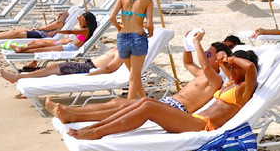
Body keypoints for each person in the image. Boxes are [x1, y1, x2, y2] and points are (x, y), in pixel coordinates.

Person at [65, 46, 258, 140]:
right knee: (146, 102)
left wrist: (230, 59)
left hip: (204, 126)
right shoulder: (231, 82)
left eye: (235, 68)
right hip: (194, 119)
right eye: (231, 68)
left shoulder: (245, 88)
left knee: (148, 107)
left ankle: (97, 132)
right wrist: (225, 60)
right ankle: (96, 127)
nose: (231, 70)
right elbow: (222, 61)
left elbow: (249, 67)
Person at [47, 31, 241, 124]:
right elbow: (188, 62)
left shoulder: (216, 80)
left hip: (177, 110)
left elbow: (205, 65)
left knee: (125, 107)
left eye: (209, 53)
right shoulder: (202, 74)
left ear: (219, 59)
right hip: (168, 102)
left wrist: (197, 43)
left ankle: (74, 116)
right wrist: (187, 45)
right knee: (117, 102)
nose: (205, 55)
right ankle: (72, 111)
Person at [111, 0, 155, 99]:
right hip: (137, 38)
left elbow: (112, 17)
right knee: (134, 77)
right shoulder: (147, 1)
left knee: (133, 74)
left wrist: (120, 28)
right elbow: (149, 24)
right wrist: (151, 31)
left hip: (122, 38)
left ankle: (144, 100)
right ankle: (129, 105)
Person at [0, 47, 123, 83]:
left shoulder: (121, 52)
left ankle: (18, 77)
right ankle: (21, 77)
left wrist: (91, 75)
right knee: (52, 68)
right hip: (85, 65)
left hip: (87, 68)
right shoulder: (118, 49)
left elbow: (110, 68)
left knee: (53, 68)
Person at [7, 12, 98, 53]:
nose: (80, 20)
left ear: (87, 21)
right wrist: (83, 17)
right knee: (43, 44)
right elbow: (78, 16)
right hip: (69, 45)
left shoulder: (85, 31)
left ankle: (21, 50)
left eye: (83, 19)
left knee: (43, 49)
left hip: (70, 48)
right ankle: (21, 48)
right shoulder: (85, 29)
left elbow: (70, 31)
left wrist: (57, 31)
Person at [0, 10, 72, 43]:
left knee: (16, 33)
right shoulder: (59, 22)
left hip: (41, 35)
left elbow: (45, 28)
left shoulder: (59, 23)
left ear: (64, 16)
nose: (59, 14)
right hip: (40, 33)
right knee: (15, 32)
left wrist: (36, 28)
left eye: (61, 14)